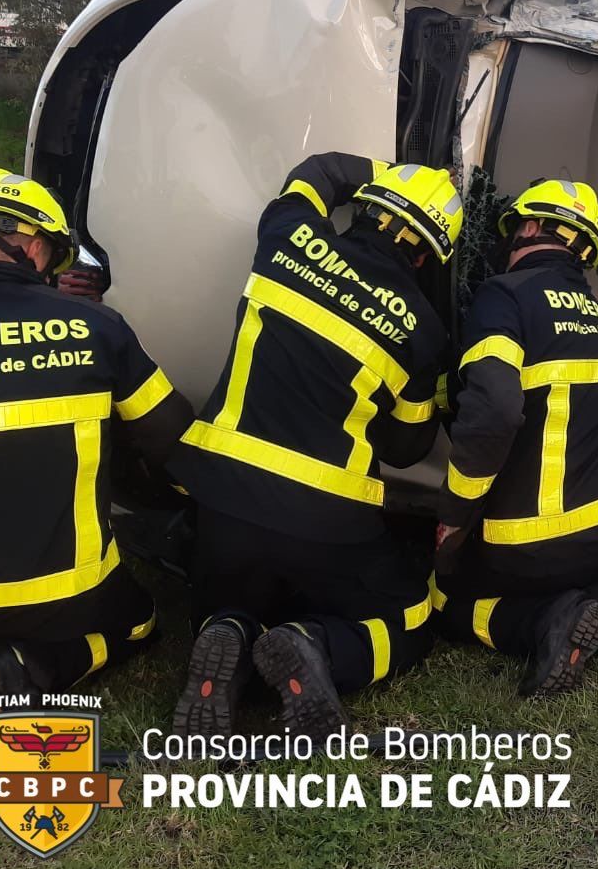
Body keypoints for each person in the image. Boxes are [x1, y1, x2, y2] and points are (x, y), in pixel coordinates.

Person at [170, 154, 460, 738]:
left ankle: (226, 628)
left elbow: (319, 170)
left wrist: (382, 169)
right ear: (427, 255)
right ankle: (316, 647)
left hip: (222, 500)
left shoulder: (288, 236)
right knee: (408, 616)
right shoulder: (424, 332)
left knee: (232, 595)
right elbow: (407, 449)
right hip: (324, 520)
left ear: (369, 209)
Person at [0, 169, 191, 712]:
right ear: (32, 244)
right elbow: (170, 433)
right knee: (140, 622)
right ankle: (33, 665)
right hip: (70, 594)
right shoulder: (97, 326)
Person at [434, 178, 598, 696]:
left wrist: (453, 517)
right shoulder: (588, 310)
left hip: (529, 548)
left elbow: (496, 408)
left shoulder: (501, 294)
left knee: (444, 600)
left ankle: (546, 621)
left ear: (529, 227)